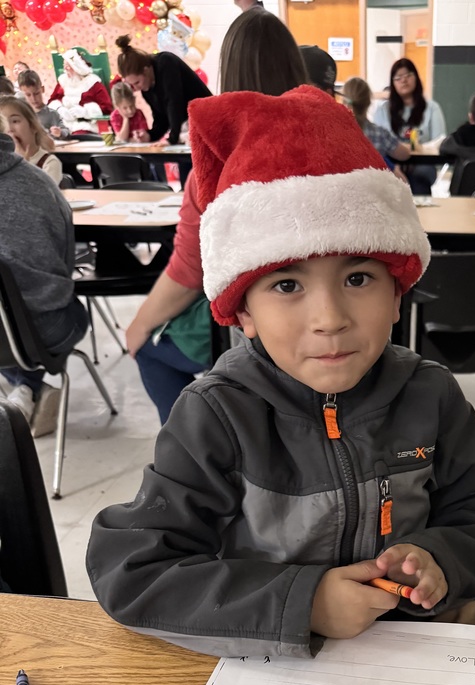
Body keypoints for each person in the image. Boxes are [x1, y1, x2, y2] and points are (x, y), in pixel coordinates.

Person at [86, 86, 475, 659]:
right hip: (268, 664)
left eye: (358, 278)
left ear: (398, 295)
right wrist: (302, 602)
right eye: (287, 285)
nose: (330, 319)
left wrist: (442, 557)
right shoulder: (217, 416)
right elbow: (134, 571)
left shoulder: (431, 396)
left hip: (410, 655)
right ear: (242, 313)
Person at [123, 7, 308, 423]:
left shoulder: (218, 165)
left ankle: (199, 459)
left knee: (151, 346)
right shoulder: (341, 148)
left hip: (254, 334)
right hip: (331, 326)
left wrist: (138, 325)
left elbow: (191, 269)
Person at [0, 114, 88, 435]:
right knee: (65, 313)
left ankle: (24, 389)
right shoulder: (40, 183)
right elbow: (65, 264)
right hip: (44, 331)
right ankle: (29, 387)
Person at [114, 33, 211, 147]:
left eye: (137, 82)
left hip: (207, 119)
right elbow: (161, 118)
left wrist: (172, 139)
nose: (136, 89)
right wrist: (150, 135)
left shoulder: (166, 62)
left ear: (146, 70)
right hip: (190, 126)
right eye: (132, 85)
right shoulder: (146, 87)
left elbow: (174, 102)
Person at [373, 59, 446, 195]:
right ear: (393, 83)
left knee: (419, 176)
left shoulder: (431, 108)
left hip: (422, 164)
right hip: (391, 164)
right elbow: (377, 146)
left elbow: (439, 141)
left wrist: (414, 153)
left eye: (408, 76)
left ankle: (421, 214)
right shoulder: (382, 110)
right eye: (398, 78)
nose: (404, 81)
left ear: (416, 78)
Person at [342, 76, 411, 169]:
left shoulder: (333, 133)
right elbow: (404, 154)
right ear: (369, 102)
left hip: (342, 183)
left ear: (343, 101)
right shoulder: (379, 134)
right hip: (374, 182)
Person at [47, 48, 112, 134]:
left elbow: (107, 108)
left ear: (77, 67)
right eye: (64, 65)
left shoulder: (93, 83)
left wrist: (86, 112)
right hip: (64, 124)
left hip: (87, 125)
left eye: (68, 66)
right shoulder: (63, 81)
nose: (65, 69)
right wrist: (59, 109)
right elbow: (52, 101)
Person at [0, 97, 62, 184]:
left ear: (33, 126)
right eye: (3, 126)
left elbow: (35, 196)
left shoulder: (49, 163)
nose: (9, 129)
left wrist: (21, 164)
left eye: (15, 121)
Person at [17, 69, 69, 138]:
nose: (33, 98)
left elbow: (66, 131)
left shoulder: (52, 114)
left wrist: (60, 132)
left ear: (42, 89)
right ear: (22, 94)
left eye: (36, 93)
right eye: (28, 95)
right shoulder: (22, 116)